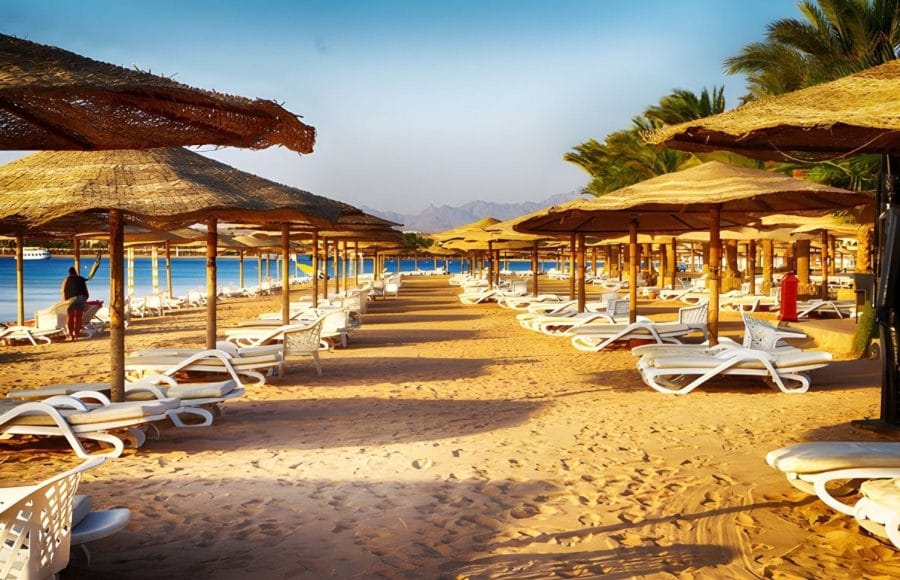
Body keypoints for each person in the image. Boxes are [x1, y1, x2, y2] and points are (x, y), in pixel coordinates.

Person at [61, 266, 89, 341]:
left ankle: (71, 336)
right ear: (76, 272)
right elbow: (86, 291)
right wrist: (85, 298)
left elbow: (63, 291)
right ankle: (76, 334)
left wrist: (64, 302)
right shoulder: (81, 279)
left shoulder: (67, 279)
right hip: (81, 297)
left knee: (70, 317)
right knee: (79, 317)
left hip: (71, 299)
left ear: (69, 273)